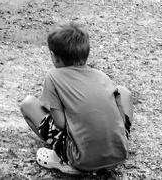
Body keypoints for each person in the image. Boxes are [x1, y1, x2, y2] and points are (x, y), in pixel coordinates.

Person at [20, 23, 132, 174]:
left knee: (28, 104)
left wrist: (76, 118)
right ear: (85, 54)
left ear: (54, 57)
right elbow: (120, 117)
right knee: (124, 92)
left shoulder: (53, 76)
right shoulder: (101, 76)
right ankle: (111, 146)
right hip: (119, 155)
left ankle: (63, 160)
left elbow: (59, 123)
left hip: (82, 160)